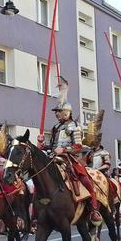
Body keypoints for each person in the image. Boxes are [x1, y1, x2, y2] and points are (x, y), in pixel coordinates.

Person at [38, 78, 101, 225]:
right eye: (56, 112)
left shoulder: (74, 126)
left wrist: (64, 150)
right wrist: (42, 146)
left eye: (59, 112)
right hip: (53, 158)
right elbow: (53, 146)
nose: (56, 114)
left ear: (66, 112)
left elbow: (78, 146)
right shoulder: (55, 128)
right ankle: (40, 208)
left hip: (69, 159)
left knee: (86, 181)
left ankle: (93, 209)